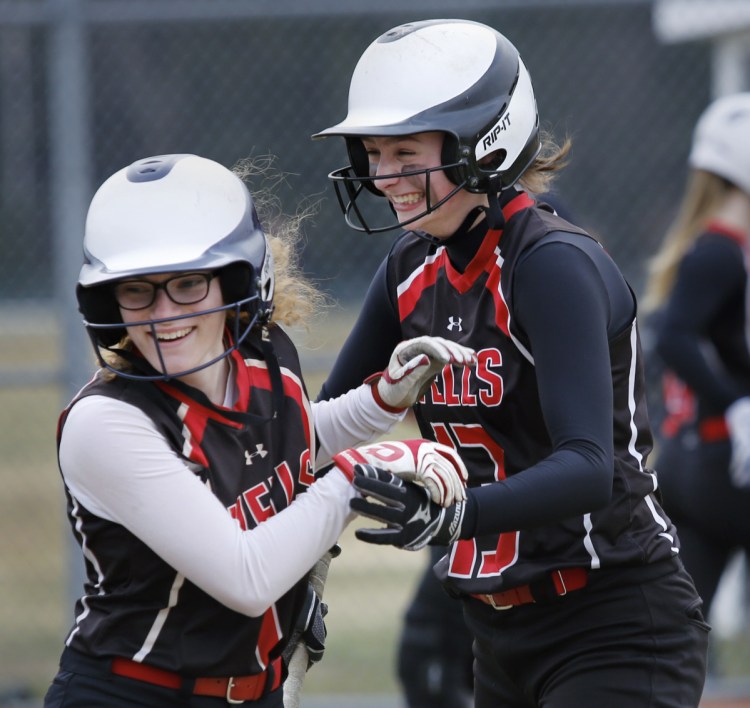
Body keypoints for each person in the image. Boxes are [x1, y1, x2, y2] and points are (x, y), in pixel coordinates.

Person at [313, 19, 709, 707]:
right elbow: (322, 426)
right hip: (495, 628)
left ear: (482, 143)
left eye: (405, 151)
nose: (383, 176)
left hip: (611, 618)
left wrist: (451, 516)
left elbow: (588, 466)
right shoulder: (409, 267)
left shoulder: (550, 263)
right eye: (374, 153)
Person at [43, 153, 476, 707]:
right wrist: (359, 477)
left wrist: (381, 400)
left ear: (236, 279)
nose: (163, 314)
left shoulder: (262, 360)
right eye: (137, 291)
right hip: (133, 694)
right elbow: (246, 578)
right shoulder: (106, 423)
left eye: (187, 283)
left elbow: (289, 444)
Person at [642, 94, 750, 634]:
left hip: (692, 461)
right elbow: (676, 337)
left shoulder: (713, 246)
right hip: (723, 463)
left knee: (682, 631)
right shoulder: (722, 251)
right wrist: (736, 405)